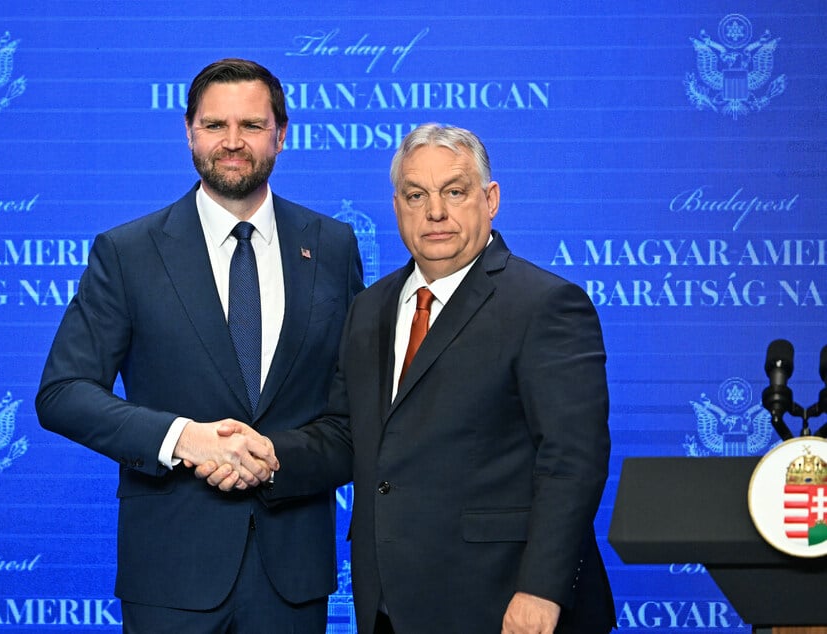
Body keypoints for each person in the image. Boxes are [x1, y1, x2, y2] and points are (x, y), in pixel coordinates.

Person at [201, 123, 615, 634]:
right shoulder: (369, 309)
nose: (435, 212)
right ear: (397, 206)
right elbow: (347, 434)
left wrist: (541, 591)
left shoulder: (545, 304)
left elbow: (572, 460)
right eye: (416, 195)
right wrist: (266, 456)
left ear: (491, 200)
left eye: (455, 192)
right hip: (390, 606)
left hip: (507, 605)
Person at [35, 57, 364, 633]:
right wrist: (183, 439)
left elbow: (355, 416)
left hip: (292, 575)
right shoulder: (128, 252)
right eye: (215, 126)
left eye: (252, 126)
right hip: (169, 574)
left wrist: (272, 459)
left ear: (282, 135)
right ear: (188, 131)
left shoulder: (333, 248)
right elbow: (62, 393)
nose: (232, 142)